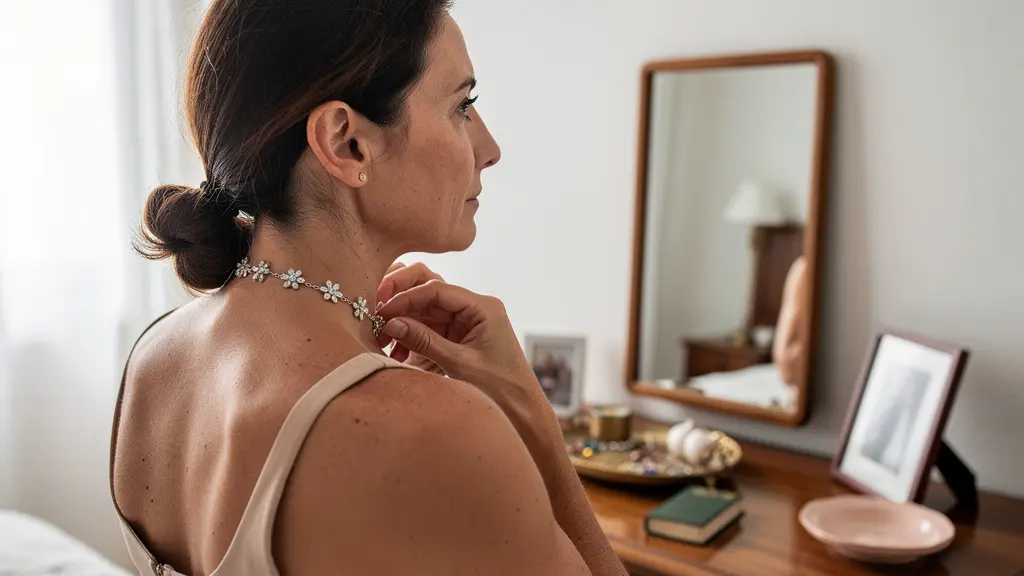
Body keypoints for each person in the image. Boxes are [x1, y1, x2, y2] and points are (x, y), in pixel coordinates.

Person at [109, 1, 627, 575]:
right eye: (463, 106)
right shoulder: (437, 433)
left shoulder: (154, 357)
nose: (490, 148)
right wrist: (534, 419)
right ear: (346, 142)